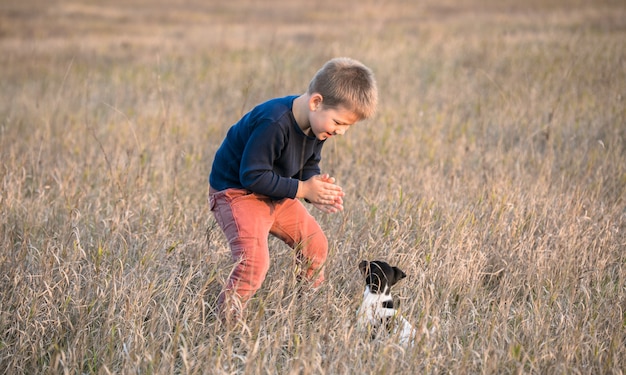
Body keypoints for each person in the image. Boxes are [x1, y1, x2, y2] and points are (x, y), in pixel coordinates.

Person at [208, 57, 378, 323]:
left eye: (348, 126)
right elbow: (252, 176)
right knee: (254, 263)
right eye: (339, 123)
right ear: (316, 102)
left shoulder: (317, 126)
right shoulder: (274, 122)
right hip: (237, 194)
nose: (342, 132)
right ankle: (226, 321)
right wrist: (302, 189)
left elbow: (308, 163)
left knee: (315, 245)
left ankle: (306, 307)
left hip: (276, 191)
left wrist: (315, 186)